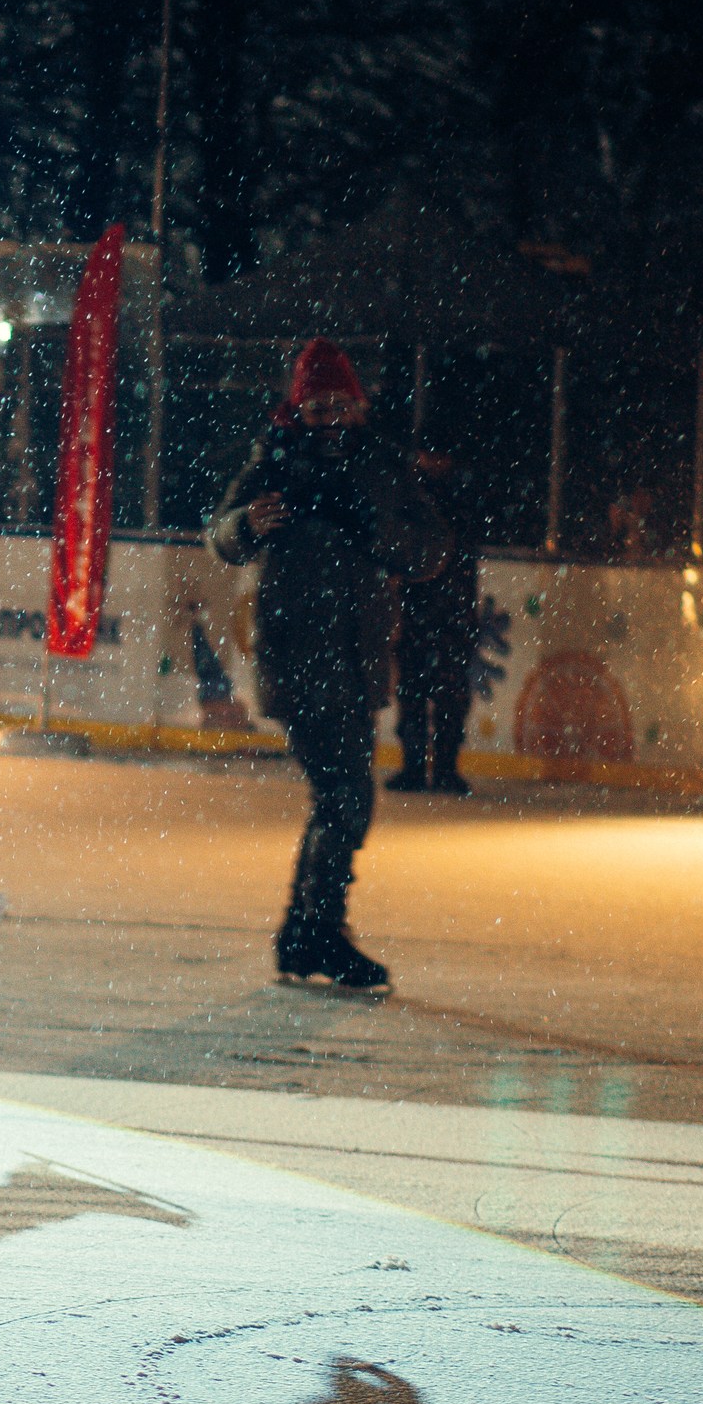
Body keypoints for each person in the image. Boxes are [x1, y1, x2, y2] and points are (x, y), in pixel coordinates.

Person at [212, 341, 449, 992]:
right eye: (316, 407)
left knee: (342, 799)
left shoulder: (379, 464)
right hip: (297, 660)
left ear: (358, 405)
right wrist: (247, 524)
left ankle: (306, 931)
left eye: (339, 404)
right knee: (345, 796)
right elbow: (221, 534)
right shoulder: (276, 461)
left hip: (359, 659)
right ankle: (316, 930)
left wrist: (378, 530)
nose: (329, 418)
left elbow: (431, 547)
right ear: (297, 408)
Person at [386, 452, 480, 796]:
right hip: (429, 612)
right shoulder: (424, 496)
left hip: (442, 613)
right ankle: (426, 768)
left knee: (440, 696)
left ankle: (436, 768)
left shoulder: (423, 496)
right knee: (422, 693)